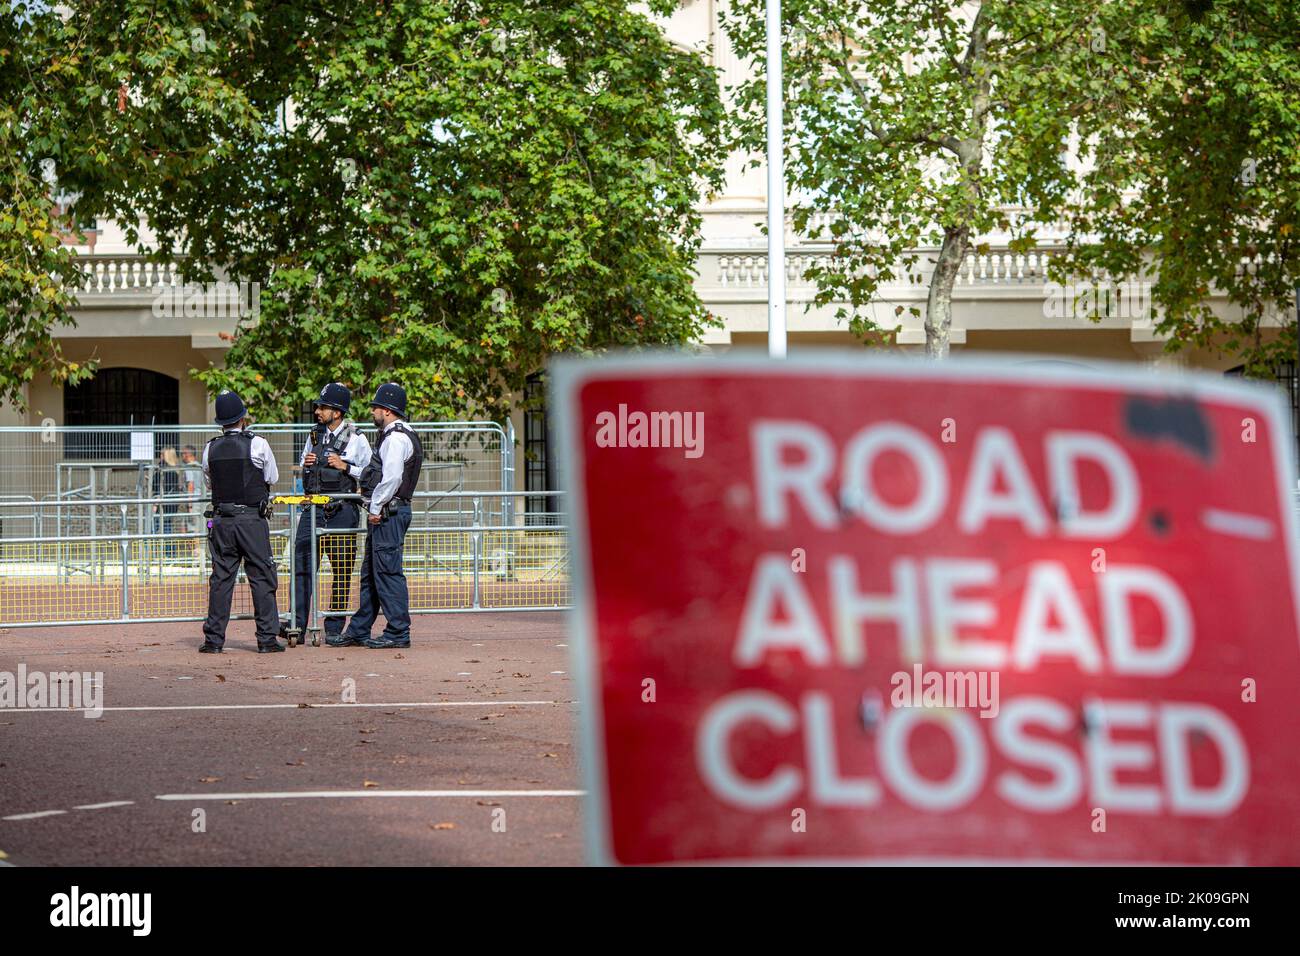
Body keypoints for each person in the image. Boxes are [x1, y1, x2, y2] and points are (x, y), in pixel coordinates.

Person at [333, 382, 423, 649]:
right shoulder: (398, 434)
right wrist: (348, 468)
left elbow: (392, 478)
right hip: (389, 510)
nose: (371, 411)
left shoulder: (395, 439)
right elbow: (376, 474)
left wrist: (375, 507)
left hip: (388, 512)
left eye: (375, 407)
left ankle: (397, 631)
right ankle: (359, 630)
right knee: (372, 573)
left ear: (387, 410)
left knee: (387, 572)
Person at [199, 390, 284, 654]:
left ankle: (214, 640)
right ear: (243, 417)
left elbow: (209, 482)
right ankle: (267, 639)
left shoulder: (209, 448)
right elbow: (272, 477)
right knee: (261, 576)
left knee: (221, 579)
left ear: (220, 422)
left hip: (222, 521)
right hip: (251, 520)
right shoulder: (258, 444)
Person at [291, 382, 372, 643]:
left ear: (337, 412)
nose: (317, 411)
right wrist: (307, 463)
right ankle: (297, 625)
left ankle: (335, 628)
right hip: (313, 508)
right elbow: (304, 465)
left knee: (342, 569)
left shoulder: (357, 438)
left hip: (342, 510)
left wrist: (346, 466)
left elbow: (372, 474)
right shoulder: (313, 435)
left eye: (323, 407)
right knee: (301, 566)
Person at [152, 447, 182, 559]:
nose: (160, 457)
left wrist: (155, 503)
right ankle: (169, 554)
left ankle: (156, 554)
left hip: (163, 502)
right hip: (171, 503)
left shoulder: (163, 469)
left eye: (162, 455)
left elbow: (157, 486)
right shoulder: (175, 470)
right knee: (167, 527)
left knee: (156, 527)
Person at [181, 445, 204, 558]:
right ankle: (198, 554)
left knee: (191, 530)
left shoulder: (189, 467)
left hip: (193, 502)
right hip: (200, 500)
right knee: (197, 528)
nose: (182, 456)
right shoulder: (200, 466)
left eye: (183, 454)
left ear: (188, 454)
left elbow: (190, 485)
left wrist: (189, 504)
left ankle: (196, 556)